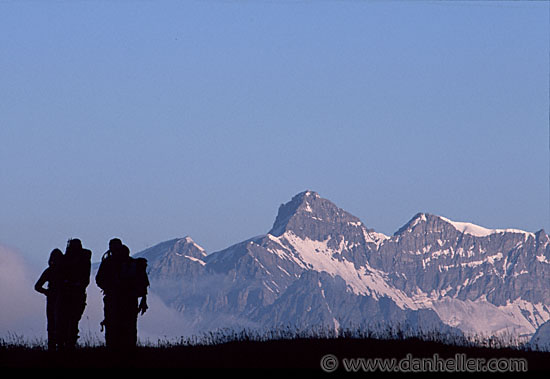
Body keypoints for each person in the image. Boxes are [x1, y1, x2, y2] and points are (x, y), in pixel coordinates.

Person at [96, 238, 149, 351]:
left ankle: (114, 351)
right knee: (128, 327)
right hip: (129, 300)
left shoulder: (108, 262)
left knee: (113, 326)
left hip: (114, 299)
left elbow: (99, 280)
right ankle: (129, 352)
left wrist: (110, 287)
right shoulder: (132, 263)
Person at [57, 238, 92, 349]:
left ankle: (65, 343)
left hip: (70, 294)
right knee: (71, 320)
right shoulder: (84, 259)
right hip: (75, 293)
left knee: (66, 319)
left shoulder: (68, 259)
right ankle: (69, 343)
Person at [34, 248, 64, 351]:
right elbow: (37, 286)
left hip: (55, 299)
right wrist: (47, 292)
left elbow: (37, 286)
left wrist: (47, 292)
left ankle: (53, 348)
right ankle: (57, 348)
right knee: (56, 324)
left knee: (53, 324)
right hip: (57, 299)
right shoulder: (61, 271)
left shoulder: (50, 270)